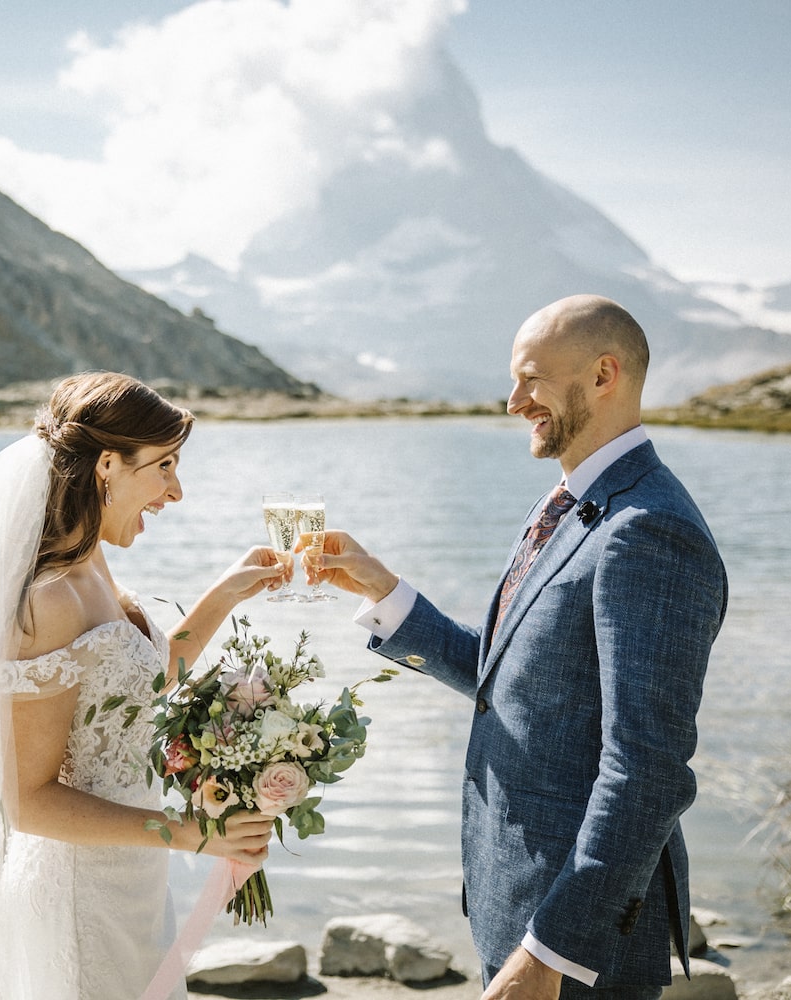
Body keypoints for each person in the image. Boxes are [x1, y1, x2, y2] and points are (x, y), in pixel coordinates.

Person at [301, 295, 727, 1000]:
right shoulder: (565, 504)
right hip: (516, 896)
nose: (512, 402)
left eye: (530, 379)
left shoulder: (649, 532)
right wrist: (382, 590)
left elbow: (647, 771)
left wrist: (551, 952)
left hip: (579, 942)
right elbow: (510, 679)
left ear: (602, 376)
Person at [0, 371, 285, 1000]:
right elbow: (28, 800)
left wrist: (229, 590)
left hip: (131, 881)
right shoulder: (48, 601)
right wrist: (191, 834)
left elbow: (140, 688)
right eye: (164, 466)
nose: (175, 491)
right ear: (108, 464)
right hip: (76, 900)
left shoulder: (94, 567)